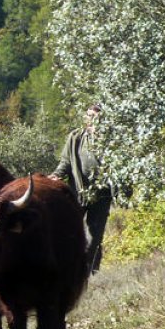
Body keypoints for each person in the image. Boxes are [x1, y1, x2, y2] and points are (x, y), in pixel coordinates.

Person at [49, 103, 112, 274]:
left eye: (95, 117)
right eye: (88, 116)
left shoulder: (111, 140)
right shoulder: (75, 137)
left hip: (102, 195)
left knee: (94, 237)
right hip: (77, 192)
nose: (90, 119)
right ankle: (70, 271)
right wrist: (56, 175)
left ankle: (89, 272)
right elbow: (66, 162)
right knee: (70, 232)